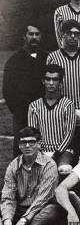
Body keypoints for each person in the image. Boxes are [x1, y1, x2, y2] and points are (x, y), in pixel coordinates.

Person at [0, 127, 60, 225]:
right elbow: (8, 197)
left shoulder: (49, 165)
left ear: (39, 144)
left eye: (31, 142)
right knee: (4, 206)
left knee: (53, 211)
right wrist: (7, 222)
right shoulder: (13, 166)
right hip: (19, 208)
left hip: (39, 210)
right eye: (23, 142)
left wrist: (22, 221)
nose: (27, 146)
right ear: (19, 145)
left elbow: (43, 199)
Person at [47, 19, 80, 156]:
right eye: (69, 33)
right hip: (62, 107)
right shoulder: (53, 57)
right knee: (65, 146)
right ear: (63, 35)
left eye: (76, 33)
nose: (73, 36)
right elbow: (50, 85)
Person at [3, 24, 48, 156]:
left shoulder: (47, 58)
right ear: (24, 36)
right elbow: (8, 91)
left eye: (37, 34)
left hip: (44, 113)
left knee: (43, 149)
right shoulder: (14, 61)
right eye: (31, 34)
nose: (34, 37)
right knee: (22, 151)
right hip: (23, 115)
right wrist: (19, 112)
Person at [28, 64, 76, 176]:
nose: (51, 83)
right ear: (43, 81)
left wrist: (57, 153)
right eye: (48, 79)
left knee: (64, 169)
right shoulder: (34, 106)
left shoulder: (68, 105)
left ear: (60, 82)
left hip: (63, 151)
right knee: (32, 171)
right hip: (41, 150)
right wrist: (40, 153)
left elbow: (69, 133)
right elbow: (33, 134)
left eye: (55, 79)